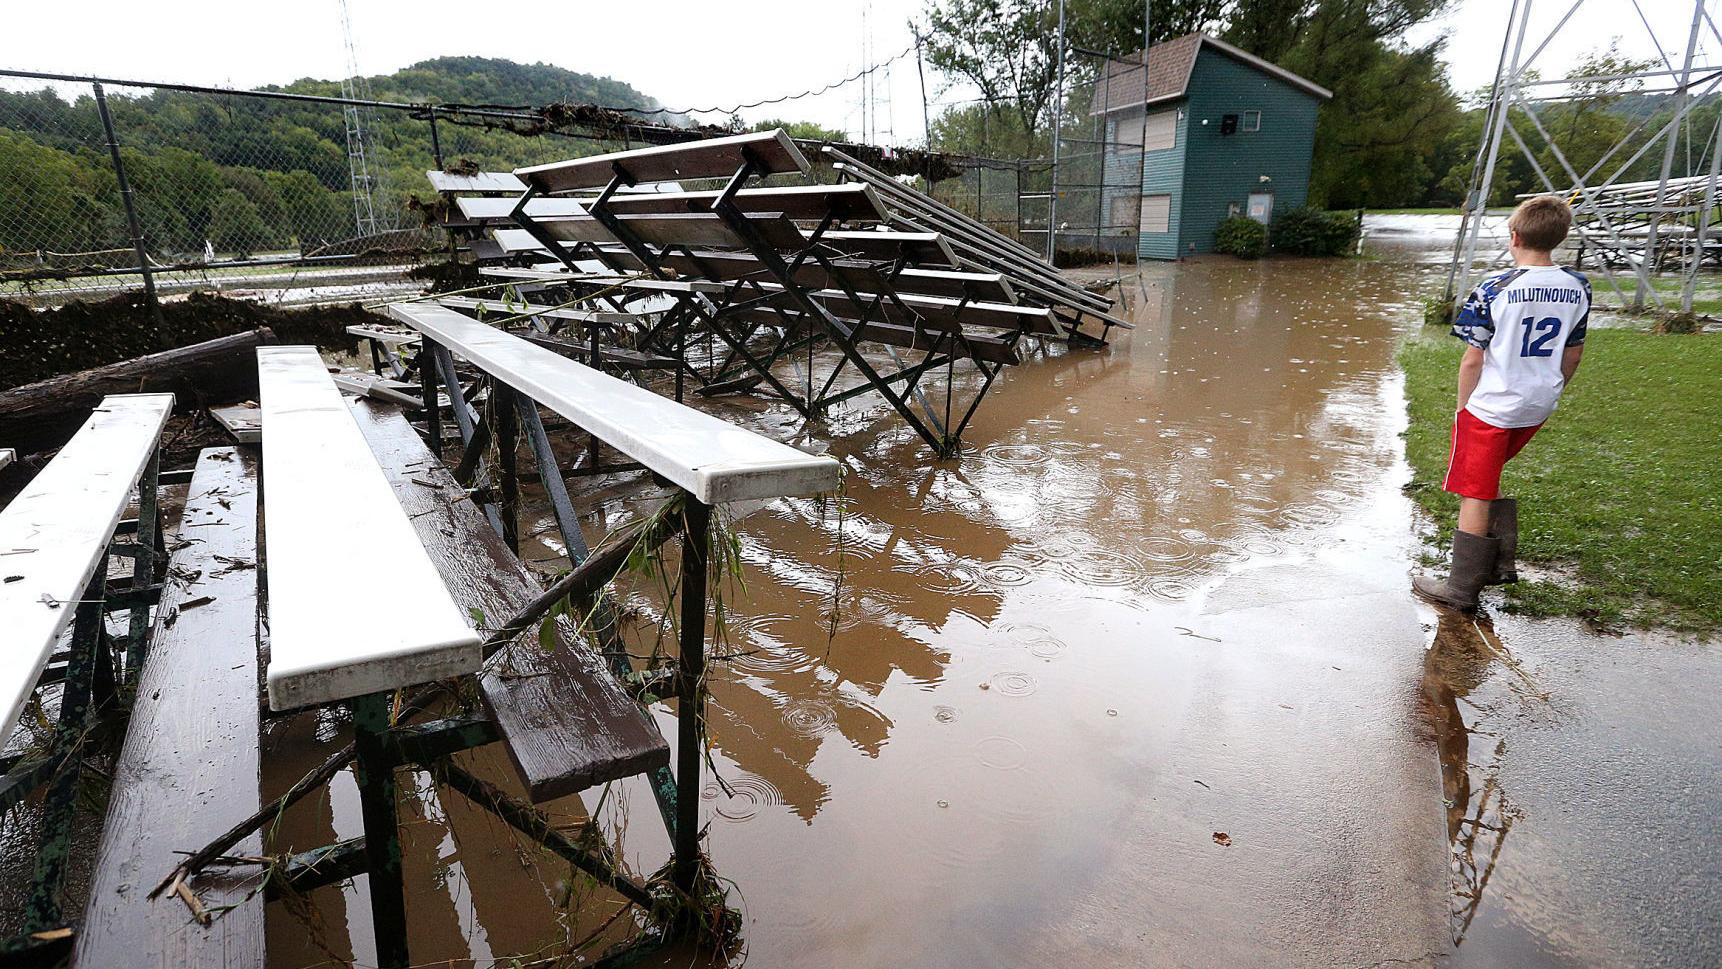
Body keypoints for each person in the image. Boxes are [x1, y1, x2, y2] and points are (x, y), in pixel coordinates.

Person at [1414, 194, 1589, 610]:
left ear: (1514, 236)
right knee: (1487, 476)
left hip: (1493, 406)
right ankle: (1498, 564)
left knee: (1474, 489)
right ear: (1559, 237)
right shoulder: (1578, 286)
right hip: (1539, 403)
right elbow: (1574, 352)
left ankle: (1459, 590)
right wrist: (1552, 387)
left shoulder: (1495, 288)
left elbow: (1473, 357)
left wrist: (1462, 409)